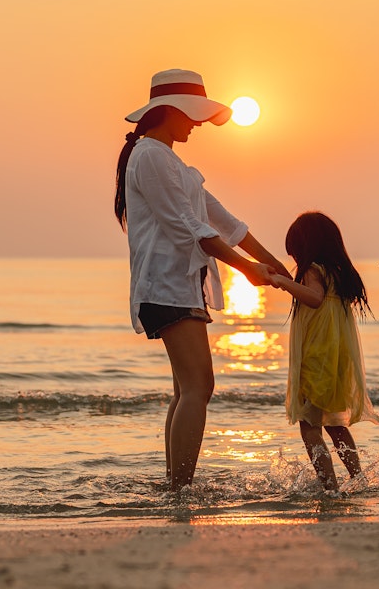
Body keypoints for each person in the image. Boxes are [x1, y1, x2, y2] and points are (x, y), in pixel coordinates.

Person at [115, 69, 290, 492]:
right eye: (192, 115)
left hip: (182, 285)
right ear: (169, 111)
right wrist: (247, 271)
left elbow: (223, 220)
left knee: (187, 390)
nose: (197, 124)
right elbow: (187, 228)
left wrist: (274, 264)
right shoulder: (151, 156)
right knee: (199, 387)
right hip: (165, 286)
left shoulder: (173, 162)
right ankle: (180, 489)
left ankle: (175, 486)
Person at [269, 212, 379, 491]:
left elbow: (315, 299)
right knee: (336, 426)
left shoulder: (313, 270)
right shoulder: (340, 274)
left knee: (309, 424)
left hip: (317, 358)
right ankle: (358, 479)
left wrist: (283, 283)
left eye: (295, 252)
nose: (295, 260)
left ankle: (329, 486)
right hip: (337, 358)